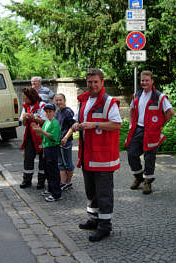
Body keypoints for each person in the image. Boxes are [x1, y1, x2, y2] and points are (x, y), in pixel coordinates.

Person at [71, 68, 122, 242]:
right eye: (89, 82)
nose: (92, 85)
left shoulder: (109, 102)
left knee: (104, 193)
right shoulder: (84, 100)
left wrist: (95, 125)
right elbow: (81, 120)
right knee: (90, 191)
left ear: (102, 83)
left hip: (103, 157)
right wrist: (78, 124)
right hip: (88, 155)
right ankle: (94, 219)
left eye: (95, 82)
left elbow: (116, 124)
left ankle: (105, 226)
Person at [125, 70, 175, 195]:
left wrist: (160, 124)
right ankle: (138, 177)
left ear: (152, 81)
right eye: (142, 80)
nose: (144, 82)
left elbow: (171, 112)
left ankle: (147, 182)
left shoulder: (158, 96)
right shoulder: (137, 94)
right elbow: (132, 109)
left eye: (147, 80)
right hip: (138, 129)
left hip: (152, 132)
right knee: (131, 154)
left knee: (149, 157)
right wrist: (132, 124)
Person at [32, 103, 62, 202]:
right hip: (47, 148)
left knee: (53, 171)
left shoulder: (55, 123)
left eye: (50, 111)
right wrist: (37, 131)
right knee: (48, 171)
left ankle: (56, 194)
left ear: (54, 112)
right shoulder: (46, 122)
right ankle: (50, 189)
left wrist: (41, 131)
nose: (48, 113)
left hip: (53, 148)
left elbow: (54, 137)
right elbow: (43, 137)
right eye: (46, 112)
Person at [19, 87, 46, 190]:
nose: (24, 99)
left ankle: (41, 181)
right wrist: (25, 119)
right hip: (30, 136)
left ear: (31, 97)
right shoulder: (25, 107)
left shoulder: (42, 106)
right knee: (28, 158)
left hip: (41, 135)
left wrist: (33, 117)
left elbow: (45, 122)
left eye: (26, 98)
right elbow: (23, 123)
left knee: (43, 159)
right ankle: (27, 180)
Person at [54, 93, 75, 191]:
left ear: (64, 100)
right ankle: (63, 182)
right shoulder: (58, 112)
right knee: (60, 163)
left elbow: (73, 126)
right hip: (58, 141)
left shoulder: (68, 111)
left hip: (65, 141)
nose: (58, 102)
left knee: (68, 163)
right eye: (57, 100)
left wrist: (65, 138)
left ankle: (68, 182)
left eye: (60, 100)